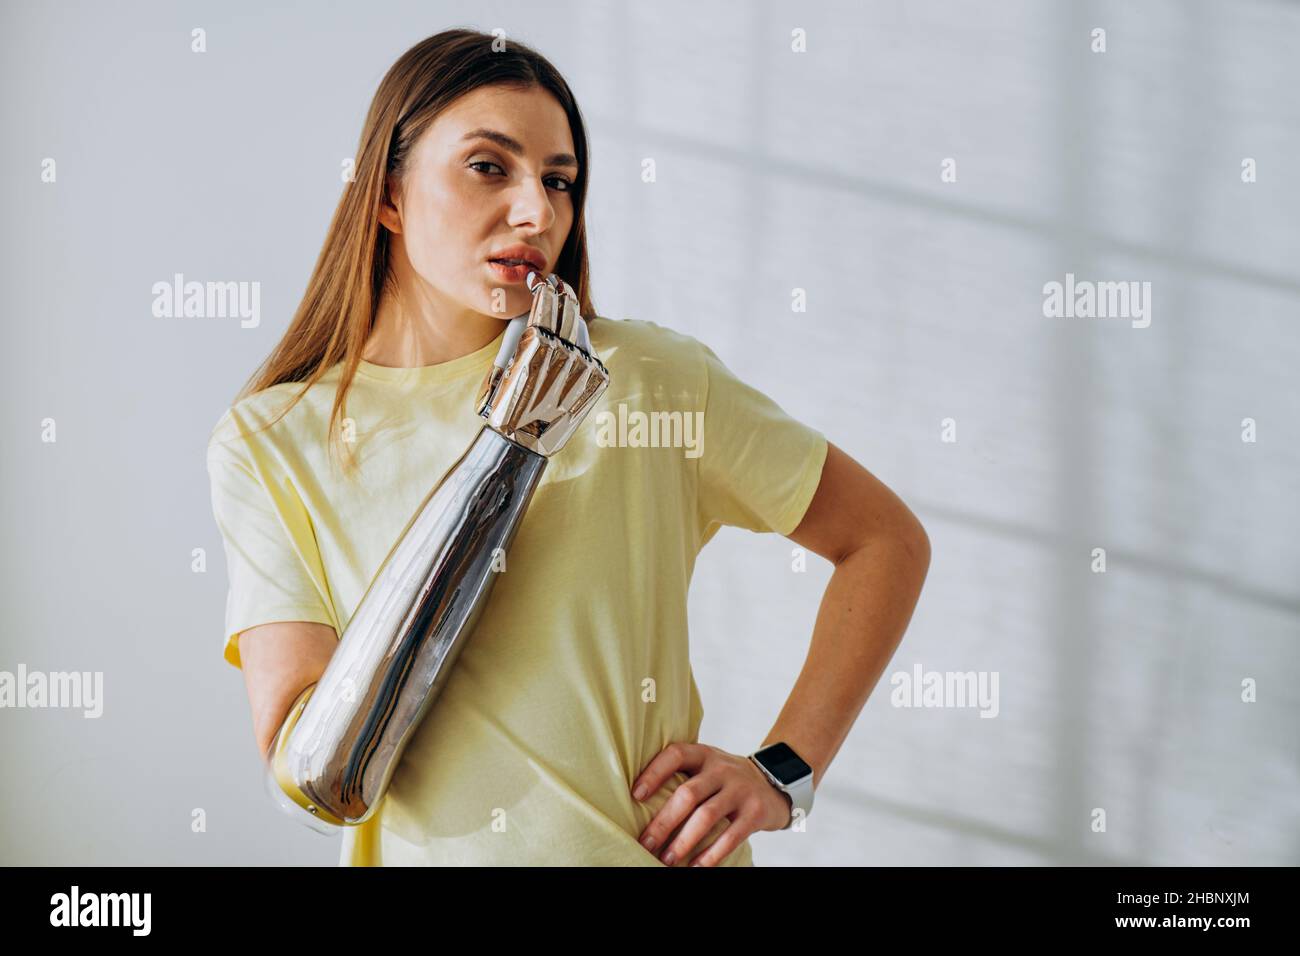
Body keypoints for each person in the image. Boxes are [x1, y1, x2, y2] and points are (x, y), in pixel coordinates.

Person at [206, 29, 930, 867]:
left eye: (560, 181)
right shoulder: (272, 441)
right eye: (489, 166)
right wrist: (511, 446)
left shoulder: (650, 377)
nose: (536, 212)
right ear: (388, 196)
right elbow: (318, 778)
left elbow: (884, 540)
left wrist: (784, 771)